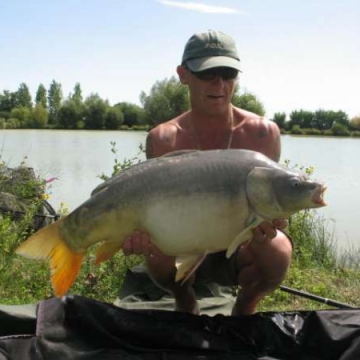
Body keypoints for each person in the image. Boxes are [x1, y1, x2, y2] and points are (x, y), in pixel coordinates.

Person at [122, 30, 292, 316]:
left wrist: (269, 225)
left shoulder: (263, 134)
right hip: (185, 237)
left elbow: (269, 206)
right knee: (158, 255)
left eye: (228, 73)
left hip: (242, 239)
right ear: (183, 74)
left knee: (278, 252)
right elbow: (155, 213)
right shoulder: (163, 139)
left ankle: (245, 306)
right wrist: (137, 233)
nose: (219, 84)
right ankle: (185, 299)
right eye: (207, 73)